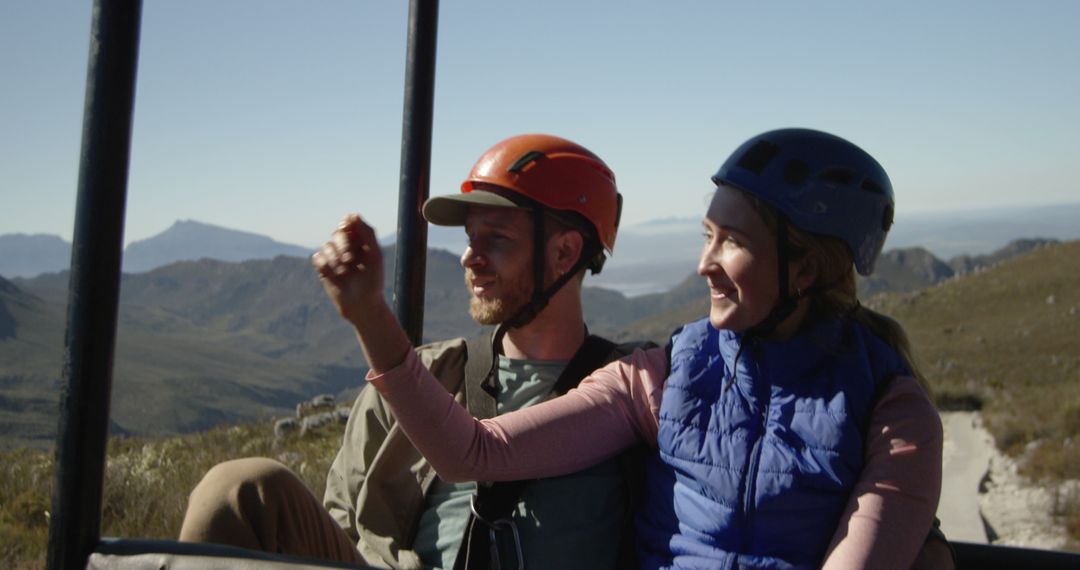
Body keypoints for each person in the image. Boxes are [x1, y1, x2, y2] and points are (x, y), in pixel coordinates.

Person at [313, 128, 946, 569]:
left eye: (732, 241)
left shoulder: (892, 415)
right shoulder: (666, 375)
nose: (704, 265)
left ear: (804, 269)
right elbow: (472, 451)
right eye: (706, 235)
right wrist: (369, 315)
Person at [181, 133, 649, 569]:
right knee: (238, 488)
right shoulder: (422, 377)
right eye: (470, 239)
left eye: (497, 239)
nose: (469, 257)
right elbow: (343, 520)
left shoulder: (633, 391)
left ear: (565, 253)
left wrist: (371, 317)